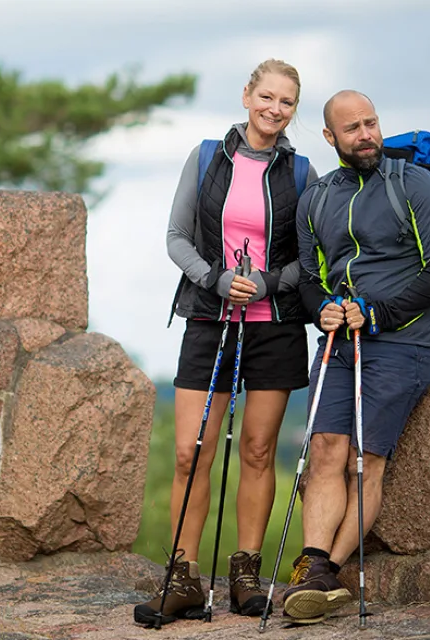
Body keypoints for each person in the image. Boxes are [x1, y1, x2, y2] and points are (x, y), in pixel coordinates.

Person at [134, 58, 317, 626]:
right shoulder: (209, 156)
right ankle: (183, 577)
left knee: (259, 452)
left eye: (286, 102)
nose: (274, 109)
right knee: (192, 453)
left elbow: (306, 259)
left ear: (293, 110)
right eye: (266, 96)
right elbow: (175, 237)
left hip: (275, 326)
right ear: (246, 96)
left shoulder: (302, 172)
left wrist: (266, 282)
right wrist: (214, 279)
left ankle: (245, 574)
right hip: (209, 320)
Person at [279, 90, 430, 624]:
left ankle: (327, 571)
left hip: (402, 342)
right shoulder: (316, 199)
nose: (366, 135)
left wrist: (376, 312)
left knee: (366, 460)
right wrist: (323, 312)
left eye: (371, 123)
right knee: (326, 451)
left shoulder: (414, 185)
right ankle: (315, 570)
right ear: (329, 137)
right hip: (339, 342)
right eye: (352, 128)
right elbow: (311, 281)